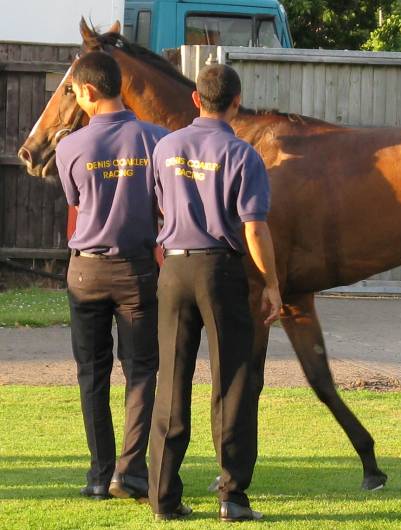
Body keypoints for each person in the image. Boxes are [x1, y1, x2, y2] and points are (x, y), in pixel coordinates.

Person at [148, 64, 282, 522]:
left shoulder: (165, 147)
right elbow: (255, 228)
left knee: (171, 381)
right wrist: (271, 283)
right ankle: (232, 496)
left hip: (174, 268)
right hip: (219, 270)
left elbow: (160, 205)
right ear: (236, 102)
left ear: (196, 99)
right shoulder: (243, 155)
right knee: (232, 382)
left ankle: (163, 497)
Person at [55, 51, 168, 501]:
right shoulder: (156, 139)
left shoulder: (69, 147)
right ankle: (131, 472)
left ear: (88, 90)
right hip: (136, 270)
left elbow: (77, 203)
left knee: (92, 372)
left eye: (74, 92)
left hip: (85, 270)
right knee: (141, 370)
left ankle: (100, 475)